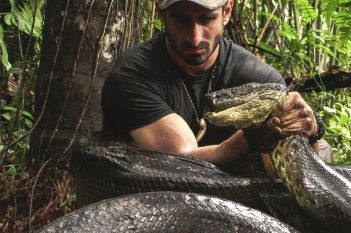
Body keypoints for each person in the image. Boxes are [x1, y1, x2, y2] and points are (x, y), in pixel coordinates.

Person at [101, 0, 328, 174]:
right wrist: (245, 140)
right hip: (147, 199)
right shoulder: (132, 75)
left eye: (207, 18)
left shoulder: (259, 79)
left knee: (324, 150)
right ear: (161, 13)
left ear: (226, 12)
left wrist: (310, 132)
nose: (194, 37)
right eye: (182, 20)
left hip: (237, 208)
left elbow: (281, 171)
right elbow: (182, 162)